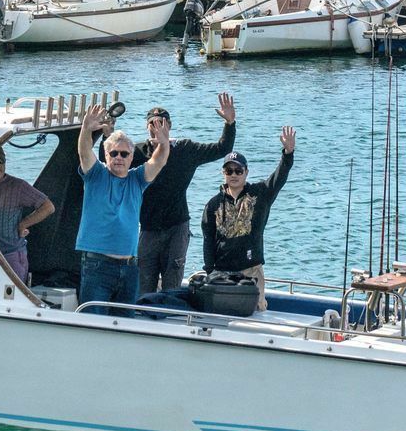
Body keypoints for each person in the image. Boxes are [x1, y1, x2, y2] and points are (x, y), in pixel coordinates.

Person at [132, 93, 236, 295]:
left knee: (172, 284)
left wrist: (230, 123)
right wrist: (105, 131)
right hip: (148, 227)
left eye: (161, 123)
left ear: (169, 126)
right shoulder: (137, 153)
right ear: (147, 127)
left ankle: (170, 320)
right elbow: (109, 159)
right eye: (152, 124)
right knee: (143, 285)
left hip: (177, 227)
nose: (157, 128)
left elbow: (222, 148)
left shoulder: (185, 149)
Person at [200, 127, 297, 306]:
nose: (234, 175)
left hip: (251, 271)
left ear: (246, 172)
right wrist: (210, 271)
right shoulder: (213, 204)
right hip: (221, 274)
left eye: (238, 170)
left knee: (257, 311)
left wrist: (288, 153)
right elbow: (208, 240)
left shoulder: (260, 194)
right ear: (223, 174)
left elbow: (279, 177)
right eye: (229, 171)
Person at [73, 103, 151, 309]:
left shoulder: (137, 179)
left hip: (130, 267)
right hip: (97, 265)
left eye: (124, 154)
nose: (118, 157)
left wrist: (163, 143)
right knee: (92, 322)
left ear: (131, 157)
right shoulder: (96, 174)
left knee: (126, 325)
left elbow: (159, 162)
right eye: (114, 153)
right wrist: (86, 129)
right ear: (106, 155)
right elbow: (83, 152)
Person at [0, 149, 54, 286]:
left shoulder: (18, 186)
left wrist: (24, 224)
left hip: (11, 255)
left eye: (1, 161)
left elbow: (48, 207)